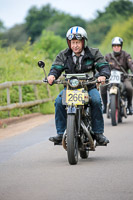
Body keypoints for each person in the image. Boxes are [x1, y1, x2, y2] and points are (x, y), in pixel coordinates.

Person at [47, 26, 110, 145]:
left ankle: (98, 133)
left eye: (77, 42)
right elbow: (56, 67)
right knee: (58, 102)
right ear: (69, 43)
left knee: (96, 101)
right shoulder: (64, 55)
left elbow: (103, 66)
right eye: (72, 42)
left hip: (89, 86)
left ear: (83, 42)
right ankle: (61, 134)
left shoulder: (93, 52)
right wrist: (52, 76)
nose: (75, 45)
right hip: (70, 88)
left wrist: (103, 75)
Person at [101, 36, 133, 115]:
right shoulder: (108, 56)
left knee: (129, 88)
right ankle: (105, 106)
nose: (116, 48)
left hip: (123, 77)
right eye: (114, 46)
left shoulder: (126, 55)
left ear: (121, 46)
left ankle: (129, 106)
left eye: (118, 46)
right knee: (102, 87)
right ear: (112, 47)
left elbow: (131, 65)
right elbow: (103, 66)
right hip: (110, 78)